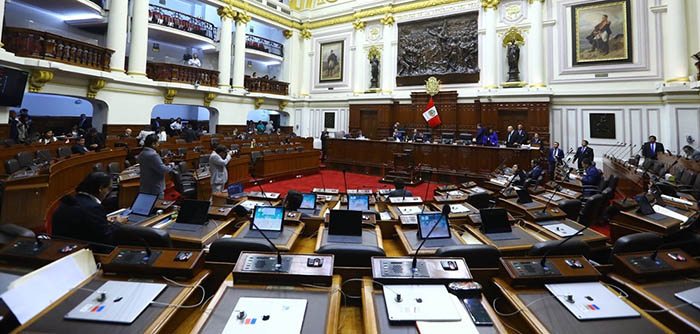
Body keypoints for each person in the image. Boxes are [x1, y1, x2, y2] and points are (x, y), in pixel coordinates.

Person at [51, 171, 124, 245]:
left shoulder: (70, 201)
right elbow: (107, 238)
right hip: (88, 250)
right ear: (101, 189)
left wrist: (104, 221)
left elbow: (86, 224)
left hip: (62, 247)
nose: (109, 192)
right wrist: (117, 223)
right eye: (109, 189)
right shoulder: (93, 208)